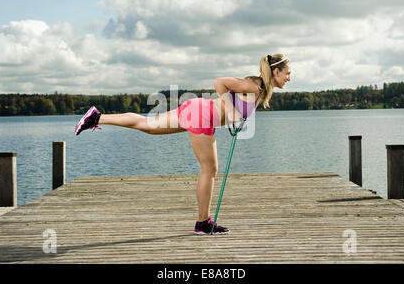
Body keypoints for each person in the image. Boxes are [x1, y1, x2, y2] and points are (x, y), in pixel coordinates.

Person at [74, 54, 291, 235]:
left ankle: (97, 117)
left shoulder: (257, 89)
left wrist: (232, 112)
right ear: (275, 72)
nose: (289, 78)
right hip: (202, 116)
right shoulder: (253, 86)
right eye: (287, 73)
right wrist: (230, 108)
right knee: (210, 169)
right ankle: (203, 223)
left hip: (197, 110)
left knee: (148, 125)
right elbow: (219, 82)